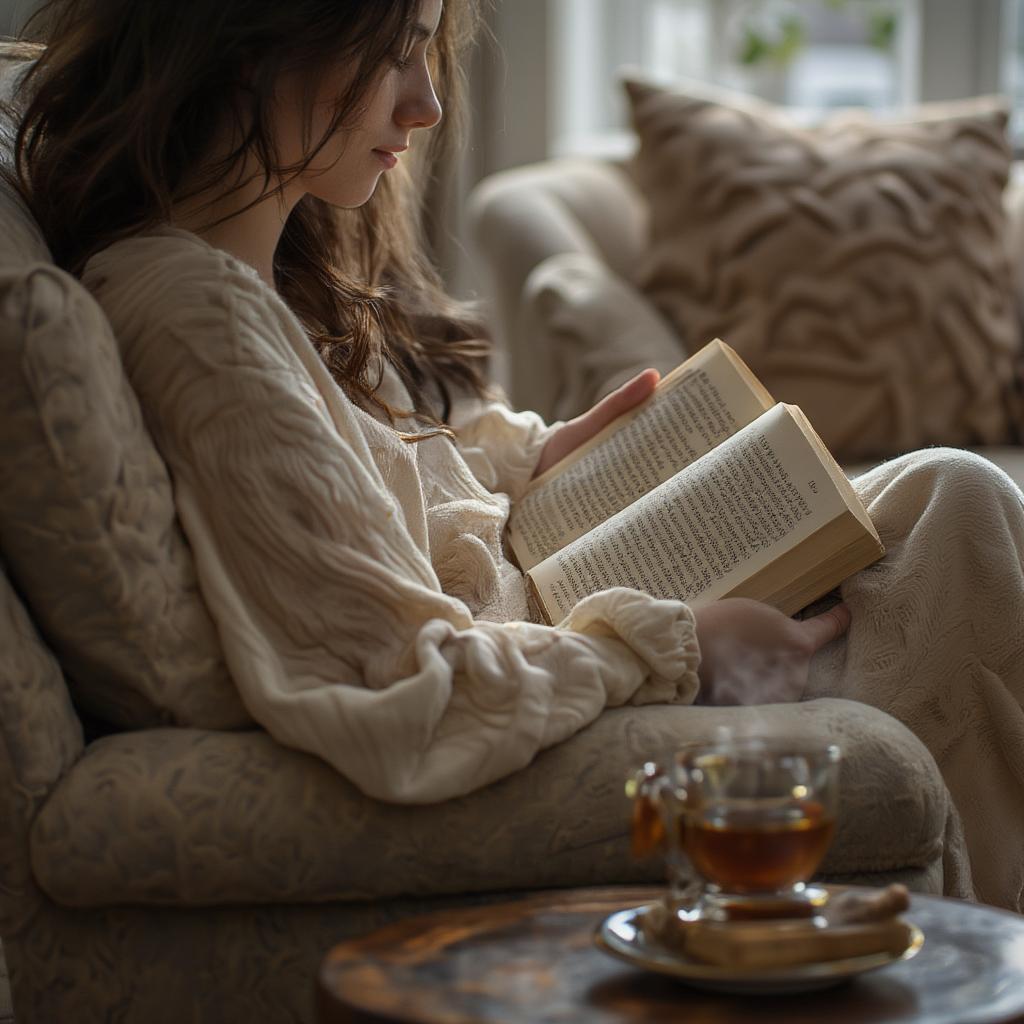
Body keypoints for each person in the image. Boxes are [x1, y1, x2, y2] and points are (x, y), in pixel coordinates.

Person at [6, 0, 1024, 913]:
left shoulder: (232, 282)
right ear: (257, 46)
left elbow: (353, 490)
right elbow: (407, 690)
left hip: (542, 590)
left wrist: (531, 465)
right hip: (558, 654)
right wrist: (683, 648)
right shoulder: (202, 319)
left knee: (946, 496)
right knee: (961, 513)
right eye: (396, 53)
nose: (426, 106)